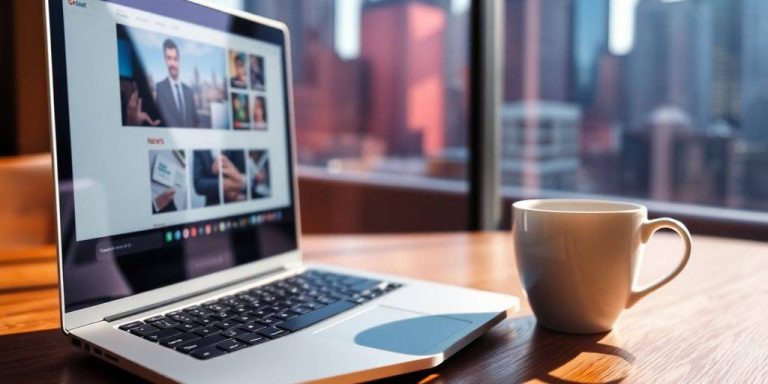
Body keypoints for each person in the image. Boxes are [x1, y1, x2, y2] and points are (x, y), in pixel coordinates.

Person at [155, 39, 200, 128]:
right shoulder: (159, 89)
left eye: (175, 59)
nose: (172, 63)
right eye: (169, 58)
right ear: (165, 60)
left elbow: (196, 122)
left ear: (179, 61)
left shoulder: (189, 91)